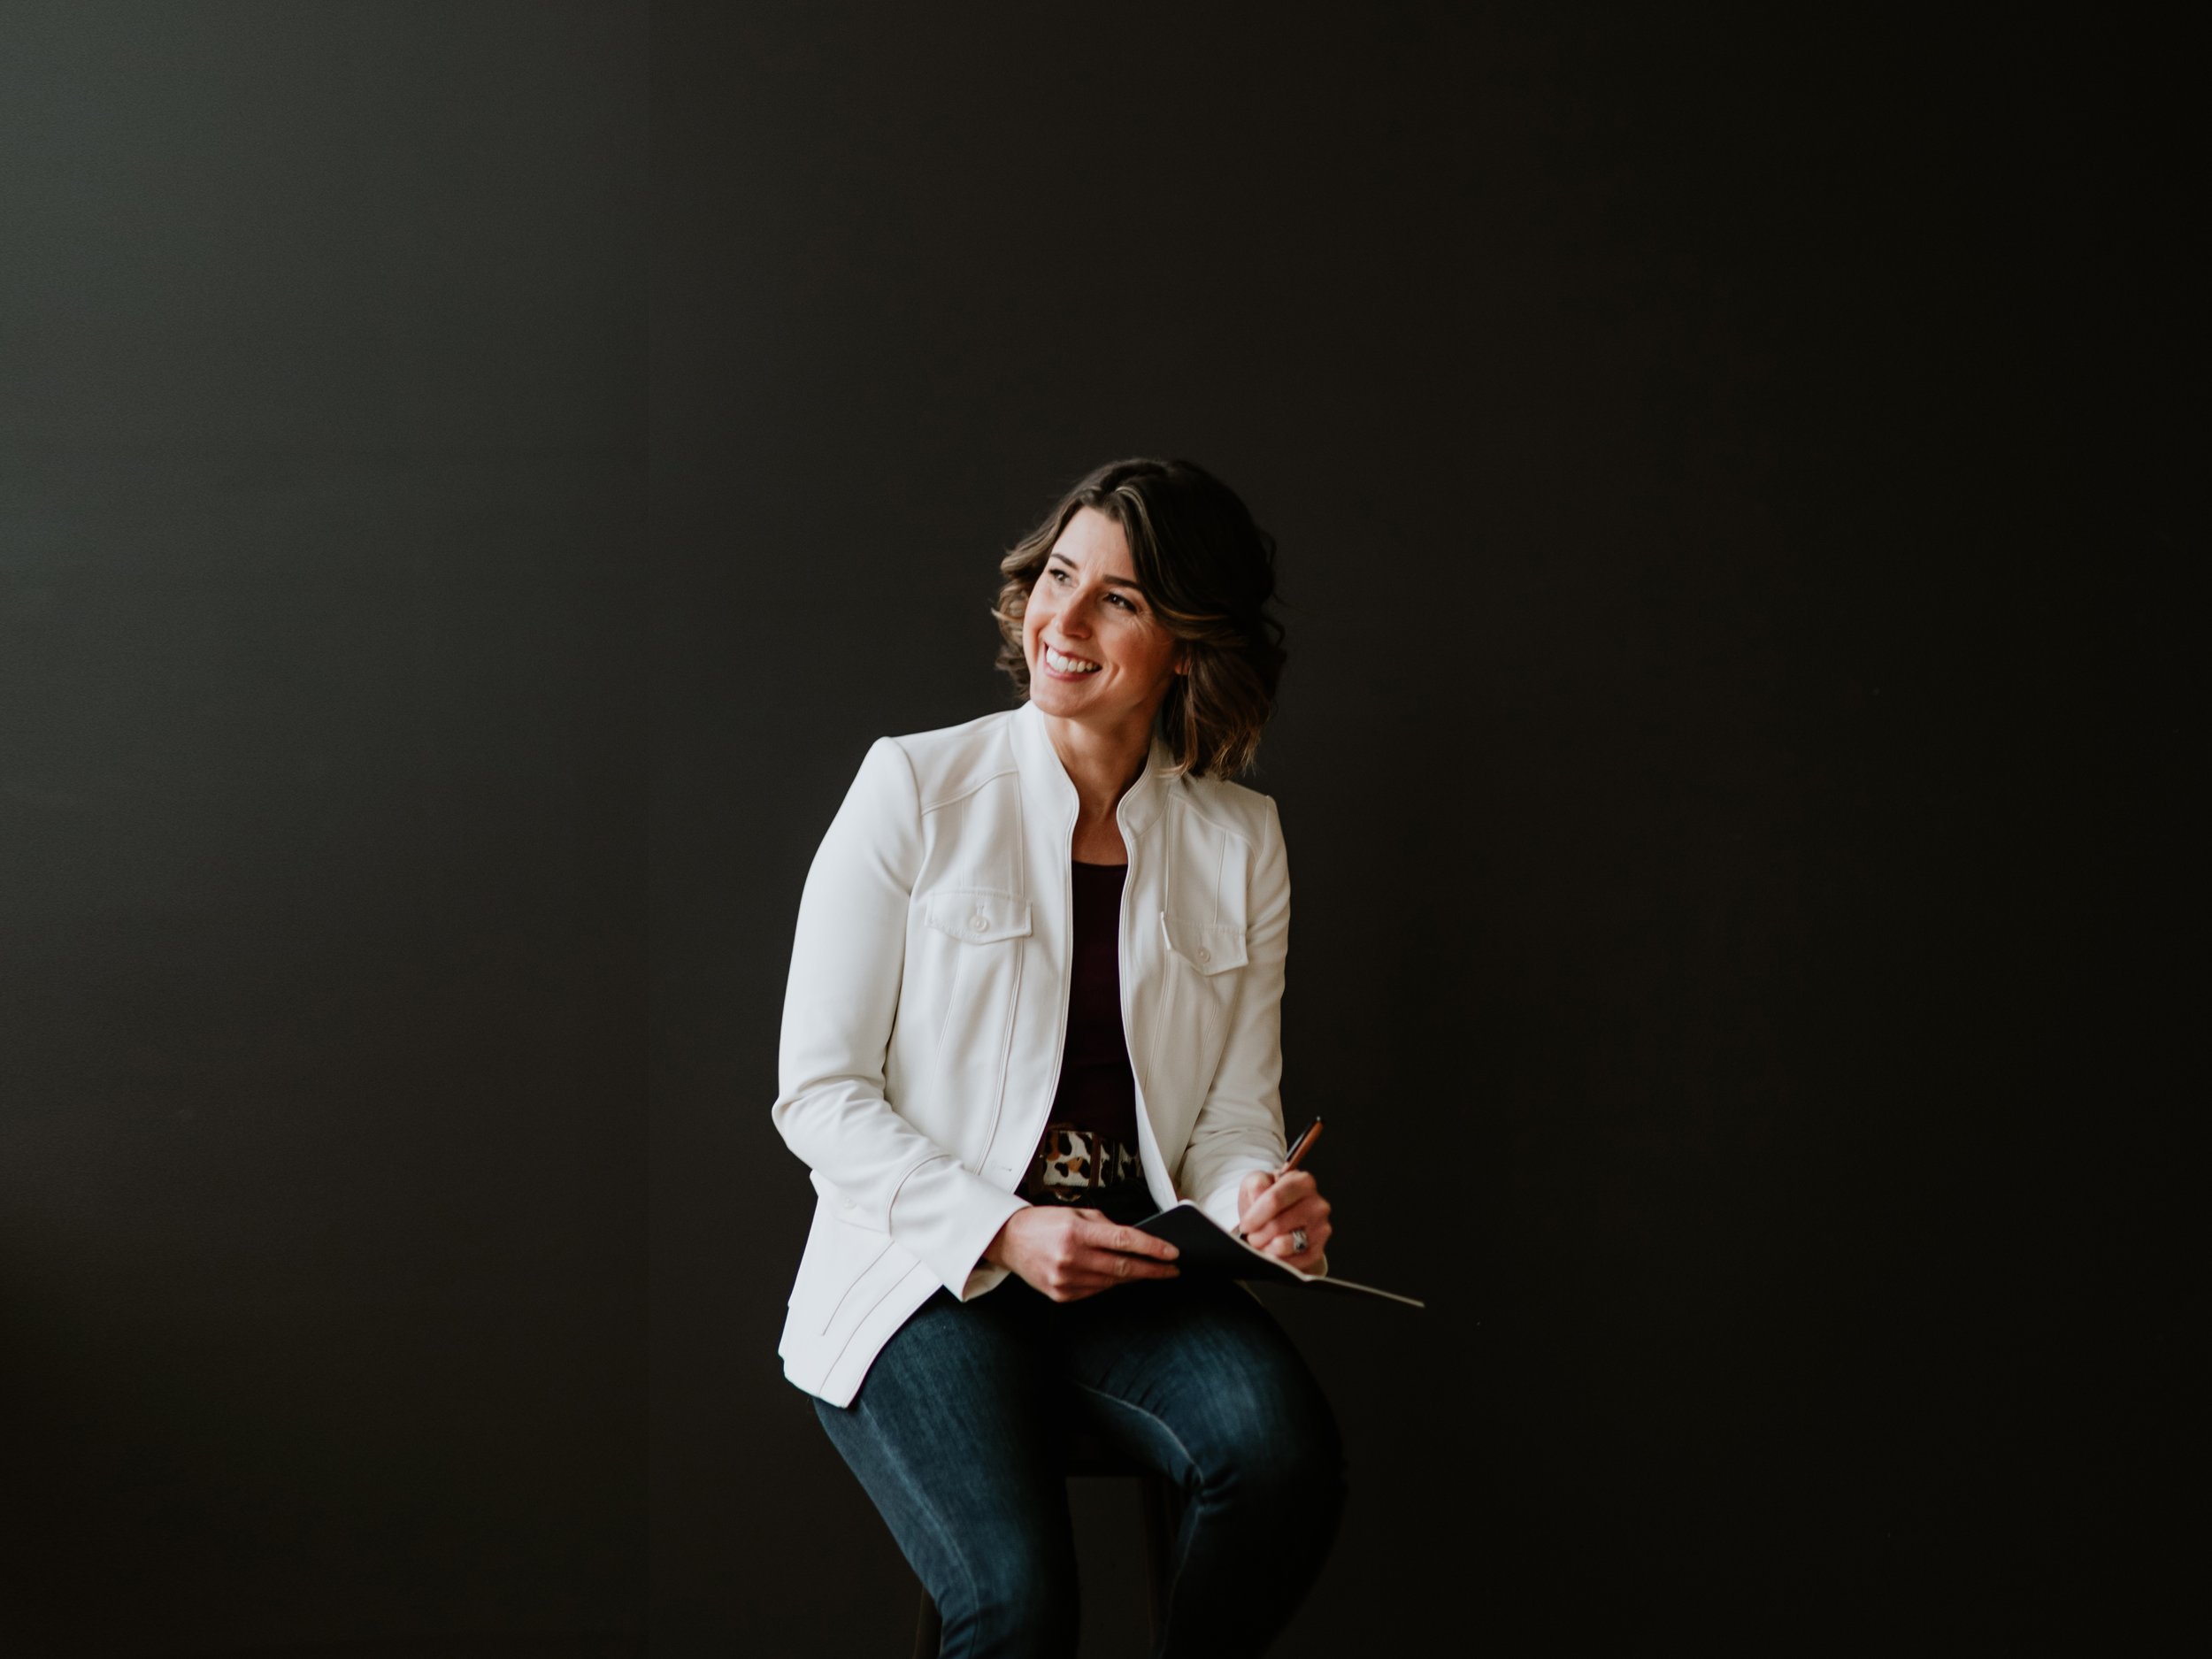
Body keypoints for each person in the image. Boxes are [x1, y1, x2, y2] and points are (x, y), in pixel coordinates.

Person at [770, 457, 1346, 1656]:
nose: (1062, 621)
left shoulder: (1244, 840)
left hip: (1135, 1271)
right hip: (929, 1276)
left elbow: (1235, 1114)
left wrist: (1258, 1206)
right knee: (1021, 1606)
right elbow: (819, 1096)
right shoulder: (915, 787)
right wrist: (1006, 1228)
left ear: (1188, 644)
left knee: (1284, 1464)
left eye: (1119, 600)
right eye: (1059, 577)